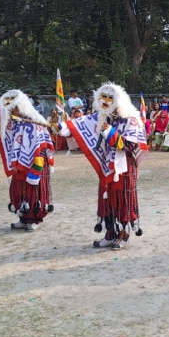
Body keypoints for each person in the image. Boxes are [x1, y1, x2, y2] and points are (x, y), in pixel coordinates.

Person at [59, 82, 148, 249]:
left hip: (123, 166)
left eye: (110, 98)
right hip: (106, 164)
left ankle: (124, 233)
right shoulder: (101, 117)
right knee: (106, 199)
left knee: (123, 200)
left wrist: (110, 133)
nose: (106, 102)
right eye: (103, 98)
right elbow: (80, 123)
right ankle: (110, 233)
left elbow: (131, 145)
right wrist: (63, 127)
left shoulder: (131, 119)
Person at [0, 90, 54, 231]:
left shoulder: (35, 120)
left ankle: (35, 219)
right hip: (18, 162)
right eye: (10, 108)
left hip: (35, 161)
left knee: (34, 191)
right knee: (19, 191)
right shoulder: (10, 123)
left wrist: (37, 167)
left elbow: (42, 144)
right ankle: (23, 218)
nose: (13, 111)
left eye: (15, 107)